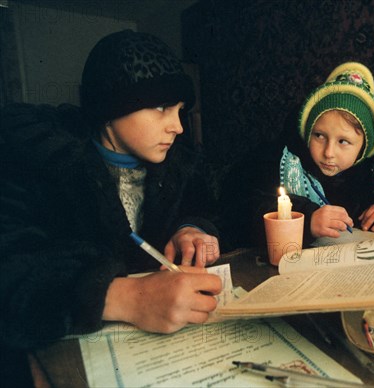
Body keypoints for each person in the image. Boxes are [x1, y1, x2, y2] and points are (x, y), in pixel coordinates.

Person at [0, 30, 222, 384]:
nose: (178, 126)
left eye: (180, 110)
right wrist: (125, 298)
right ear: (109, 108)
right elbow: (11, 271)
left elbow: (204, 206)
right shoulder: (37, 164)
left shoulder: (182, 166)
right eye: (162, 107)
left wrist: (191, 227)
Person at [219, 62, 374, 249]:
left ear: (364, 148)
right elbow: (241, 211)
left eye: (343, 142)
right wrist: (307, 219)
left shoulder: (373, 174)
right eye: (319, 136)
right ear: (308, 131)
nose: (328, 153)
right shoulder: (279, 163)